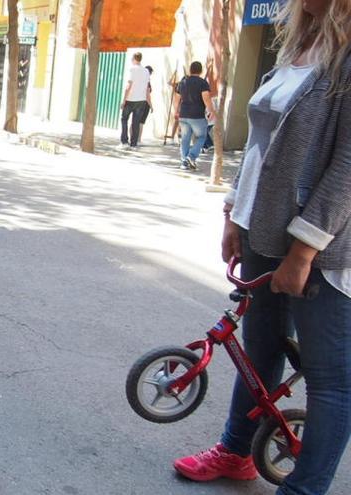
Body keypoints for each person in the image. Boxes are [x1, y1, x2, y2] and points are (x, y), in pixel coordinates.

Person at [174, 0, 351, 493]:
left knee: (330, 381)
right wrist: (235, 210)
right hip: (261, 230)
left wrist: (304, 251)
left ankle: (304, 487)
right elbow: (260, 146)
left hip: (322, 249)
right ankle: (235, 453)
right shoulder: (298, 45)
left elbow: (347, 170)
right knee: (259, 354)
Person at [172, 61, 216, 170]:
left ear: (190, 70)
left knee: (185, 139)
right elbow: (206, 98)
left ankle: (184, 162)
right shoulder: (203, 83)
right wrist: (211, 111)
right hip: (197, 115)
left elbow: (176, 99)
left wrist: (176, 111)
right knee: (201, 137)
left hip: (184, 114)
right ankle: (191, 156)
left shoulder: (182, 83)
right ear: (200, 71)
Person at [120, 52, 150, 149]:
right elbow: (147, 87)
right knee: (136, 122)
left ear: (133, 58)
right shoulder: (146, 71)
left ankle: (124, 141)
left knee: (124, 119)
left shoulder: (132, 69)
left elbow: (129, 85)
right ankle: (133, 144)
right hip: (141, 100)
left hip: (130, 99)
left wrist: (123, 100)